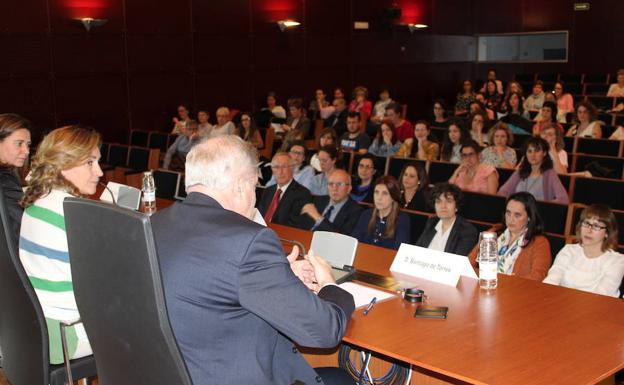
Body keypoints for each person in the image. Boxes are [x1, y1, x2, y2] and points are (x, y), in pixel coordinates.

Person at [151, 136, 355, 385]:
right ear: (239, 186)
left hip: (180, 372)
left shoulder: (154, 223)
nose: (254, 196)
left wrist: (279, 272)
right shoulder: (248, 240)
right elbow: (325, 331)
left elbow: (212, 276)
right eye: (254, 186)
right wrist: (329, 284)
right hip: (236, 374)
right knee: (342, 379)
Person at [19, 125, 103, 364]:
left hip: (37, 328)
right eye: (90, 162)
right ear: (64, 163)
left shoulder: (39, 200)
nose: (99, 172)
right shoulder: (73, 214)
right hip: (67, 336)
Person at [544, 204, 624, 297]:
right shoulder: (568, 251)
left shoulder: (617, 261)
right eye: (586, 223)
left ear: (607, 233)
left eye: (596, 226)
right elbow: (551, 281)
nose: (589, 230)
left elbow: (601, 295)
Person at [468, 192, 552, 280]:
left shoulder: (539, 243)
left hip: (515, 290)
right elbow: (470, 262)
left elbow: (537, 276)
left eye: (517, 215)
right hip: (486, 284)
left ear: (529, 217)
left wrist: (510, 283)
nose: (511, 219)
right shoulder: (494, 232)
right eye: (508, 213)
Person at [498, 137, 569, 203]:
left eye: (537, 151)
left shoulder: (550, 174)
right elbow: (502, 192)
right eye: (529, 151)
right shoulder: (520, 172)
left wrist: (543, 205)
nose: (533, 155)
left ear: (544, 153)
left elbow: (564, 199)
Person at [415, 183, 478, 256]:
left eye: (449, 201)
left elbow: (457, 261)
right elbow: (417, 250)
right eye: (438, 201)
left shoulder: (467, 230)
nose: (443, 206)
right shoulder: (432, 222)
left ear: (456, 206)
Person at [352, 176, 410, 250]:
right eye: (376, 192)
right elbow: (354, 242)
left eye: (385, 193)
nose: (379, 198)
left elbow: (399, 250)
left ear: (393, 197)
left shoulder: (402, 219)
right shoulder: (366, 215)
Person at [258, 152, 312, 229]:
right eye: (276, 167)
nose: (280, 172)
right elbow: (259, 217)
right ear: (272, 170)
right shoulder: (267, 191)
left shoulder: (302, 194)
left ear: (292, 168)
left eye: (284, 167)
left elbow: (293, 227)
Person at [301, 169, 364, 235]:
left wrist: (318, 218)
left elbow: (343, 237)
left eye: (339, 184)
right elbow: (302, 227)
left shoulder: (356, 211)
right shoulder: (317, 201)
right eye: (331, 184)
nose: (334, 188)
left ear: (349, 189)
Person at [0, 113, 31, 244]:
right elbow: (28, 224)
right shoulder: (4, 180)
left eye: (28, 145)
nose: (27, 151)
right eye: (19, 143)